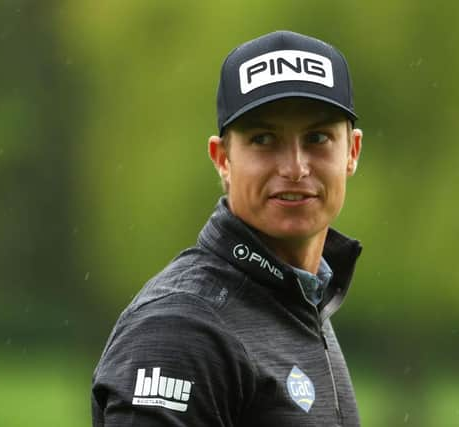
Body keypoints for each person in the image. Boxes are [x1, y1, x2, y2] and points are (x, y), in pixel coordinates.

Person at [91, 30, 363, 426]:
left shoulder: (304, 300)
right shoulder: (181, 328)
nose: (295, 167)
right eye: (264, 139)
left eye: (317, 137)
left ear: (351, 152)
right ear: (222, 159)